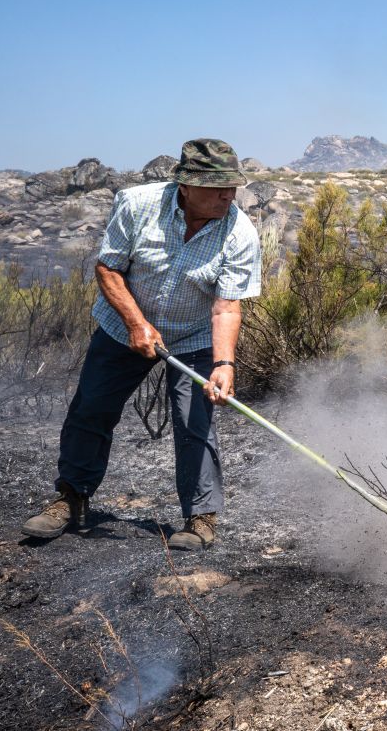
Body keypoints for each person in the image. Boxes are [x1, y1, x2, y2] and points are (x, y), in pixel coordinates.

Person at [22, 139, 261, 551]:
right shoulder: (135, 204)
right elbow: (109, 268)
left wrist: (224, 364)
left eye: (233, 186)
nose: (228, 195)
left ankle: (200, 518)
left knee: (194, 420)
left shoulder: (239, 231)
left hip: (194, 336)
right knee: (92, 407)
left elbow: (226, 307)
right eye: (216, 186)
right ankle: (71, 498)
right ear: (185, 185)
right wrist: (136, 323)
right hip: (124, 326)